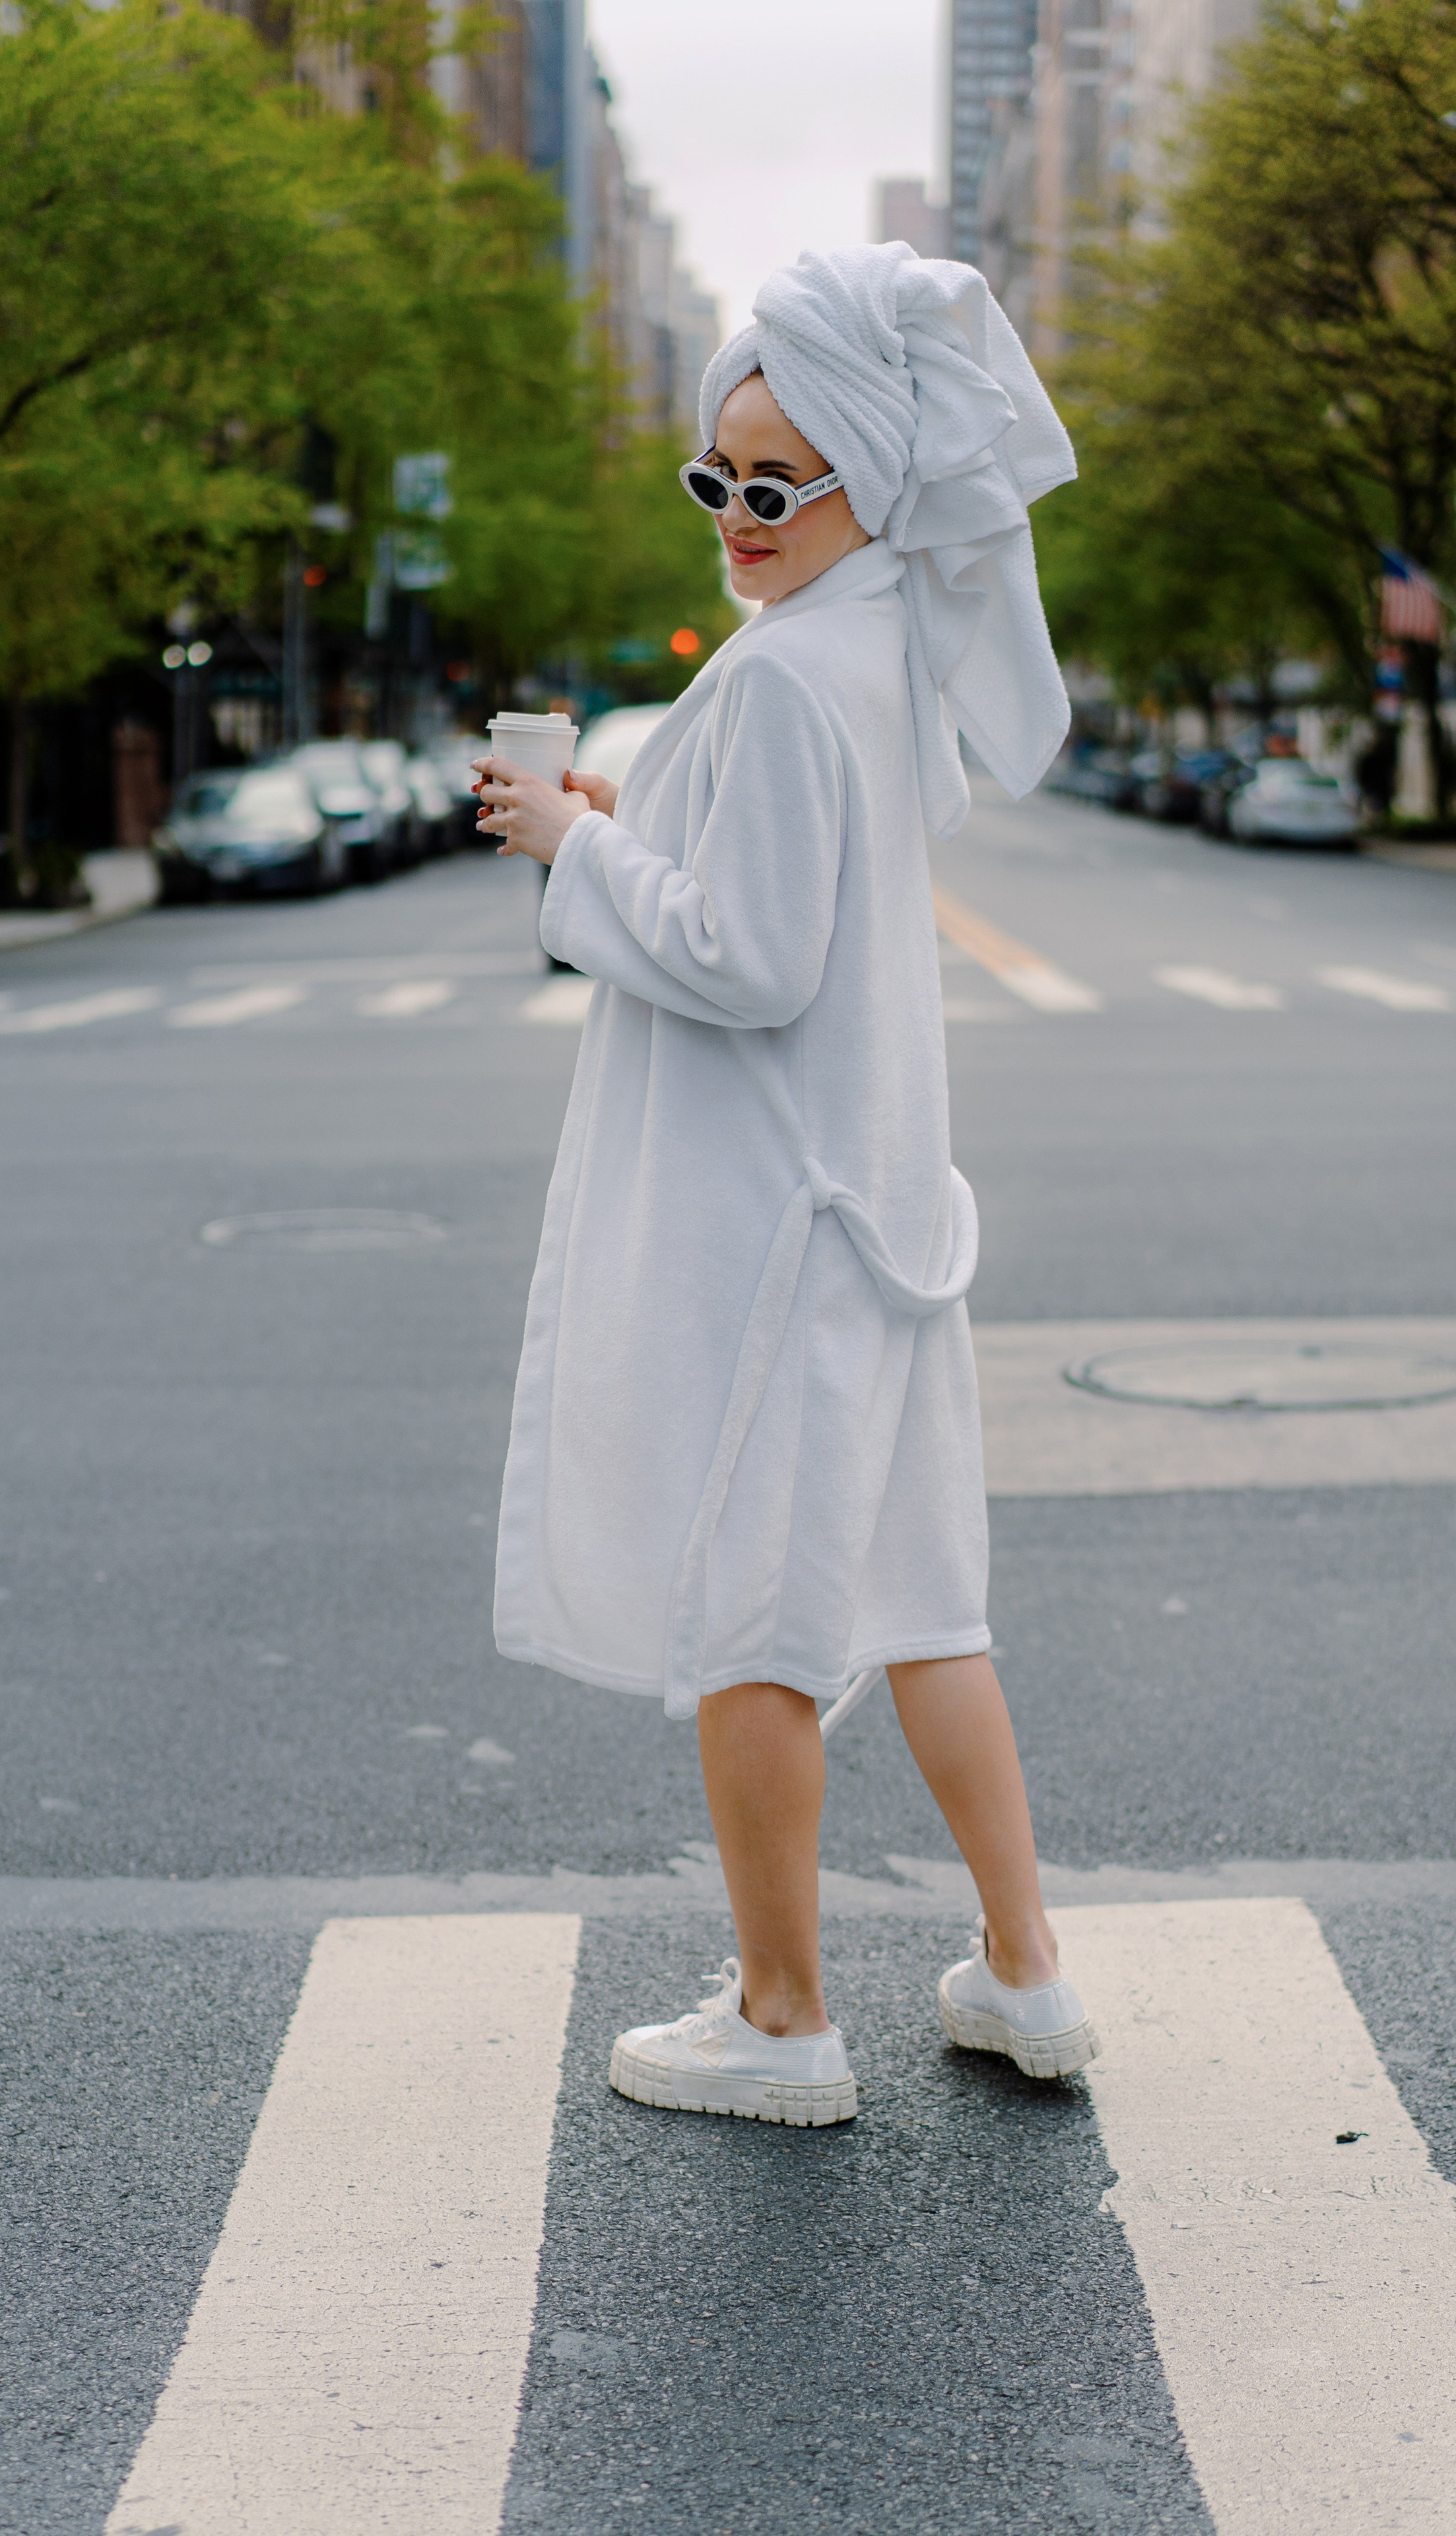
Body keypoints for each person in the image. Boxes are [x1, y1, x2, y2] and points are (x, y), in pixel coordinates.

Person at [471, 243, 1097, 2127]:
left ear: (866, 489)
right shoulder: (879, 651)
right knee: (926, 1601)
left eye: (779, 483)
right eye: (717, 478)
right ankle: (1025, 1971)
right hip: (890, 1212)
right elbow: (788, 913)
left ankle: (783, 2011)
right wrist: (606, 830)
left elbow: (747, 956)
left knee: (757, 1618)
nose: (738, 515)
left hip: (785, 1228)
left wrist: (566, 858)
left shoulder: (774, 689)